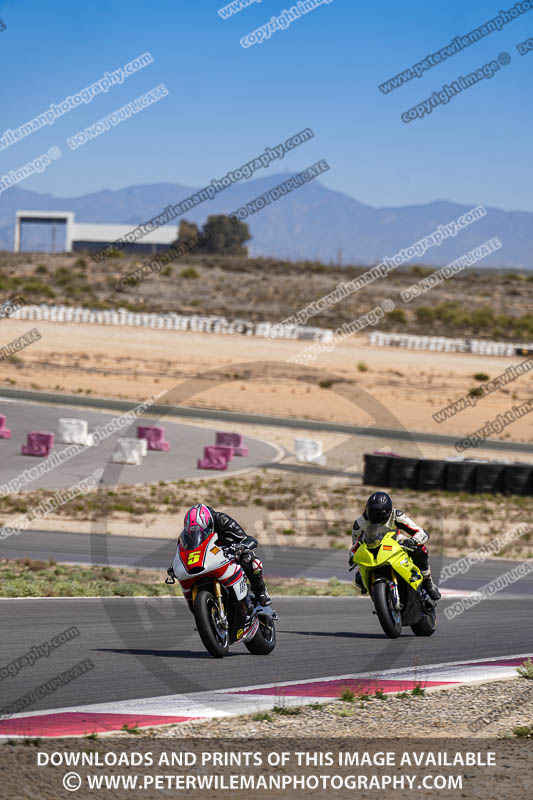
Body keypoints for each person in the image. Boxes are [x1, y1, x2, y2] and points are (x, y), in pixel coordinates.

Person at [168, 503, 272, 612]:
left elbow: (249, 539)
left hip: (231, 553)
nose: (197, 533)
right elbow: (182, 552)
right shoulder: (185, 535)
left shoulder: (222, 520)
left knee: (250, 559)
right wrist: (174, 567)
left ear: (209, 523)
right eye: (193, 531)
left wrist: (241, 547)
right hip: (209, 560)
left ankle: (261, 591)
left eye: (202, 530)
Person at [348, 491, 441, 601]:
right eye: (373, 513)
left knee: (420, 550)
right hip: (370, 547)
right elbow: (355, 546)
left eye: (380, 515)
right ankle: (379, 598)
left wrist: (414, 541)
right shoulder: (359, 523)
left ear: (388, 512)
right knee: (359, 580)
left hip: (394, 543)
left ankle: (427, 581)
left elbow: (421, 532)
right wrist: (353, 557)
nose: (376, 518)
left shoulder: (396, 515)